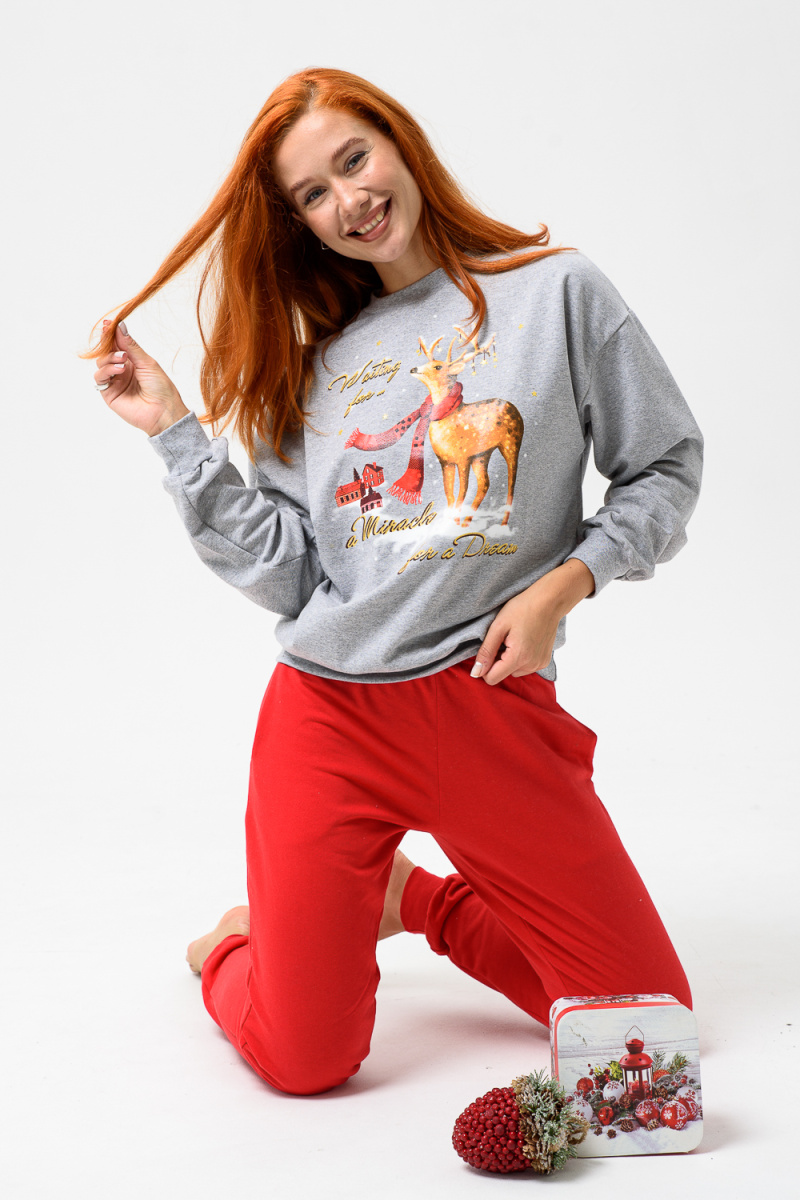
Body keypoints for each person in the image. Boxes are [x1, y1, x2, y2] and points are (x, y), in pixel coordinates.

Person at [86, 67, 703, 1098]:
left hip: (492, 704)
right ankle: (235, 950)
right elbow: (291, 573)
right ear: (300, 225)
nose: (350, 200)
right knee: (304, 1061)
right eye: (313, 194)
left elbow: (665, 465)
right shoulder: (309, 367)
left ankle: (410, 900)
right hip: (332, 717)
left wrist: (566, 583)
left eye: (353, 159)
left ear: (399, 141)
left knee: (646, 1027)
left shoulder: (555, 291)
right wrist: (174, 431)